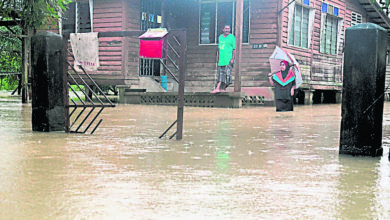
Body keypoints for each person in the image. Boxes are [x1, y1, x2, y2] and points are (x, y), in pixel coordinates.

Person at [211, 24, 236, 94]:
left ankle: (222, 88)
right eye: (226, 28)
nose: (227, 30)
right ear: (223, 29)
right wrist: (218, 58)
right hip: (221, 60)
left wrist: (232, 59)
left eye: (228, 28)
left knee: (227, 75)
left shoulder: (231, 37)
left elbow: (234, 49)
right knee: (220, 74)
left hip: (228, 59)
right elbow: (219, 49)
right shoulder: (220, 37)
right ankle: (218, 88)